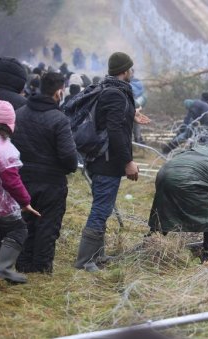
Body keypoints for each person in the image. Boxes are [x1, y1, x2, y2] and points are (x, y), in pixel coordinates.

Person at [74, 52, 140, 272]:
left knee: (103, 206)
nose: (132, 72)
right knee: (101, 208)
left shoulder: (108, 89)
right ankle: (85, 261)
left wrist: (132, 115)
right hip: (106, 161)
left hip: (101, 160)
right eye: (131, 68)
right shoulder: (115, 94)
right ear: (124, 71)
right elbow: (115, 131)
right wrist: (128, 162)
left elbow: (113, 121)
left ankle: (97, 255)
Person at [12, 72, 78, 273]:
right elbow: (69, 157)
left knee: (25, 223)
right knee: (47, 226)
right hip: (52, 183)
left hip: (23, 179)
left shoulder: (19, 113)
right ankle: (41, 268)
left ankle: (22, 264)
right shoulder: (59, 120)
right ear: (59, 92)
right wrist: (68, 169)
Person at [0, 101, 41, 283]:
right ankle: (3, 269)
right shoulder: (4, 149)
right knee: (18, 229)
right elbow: (12, 182)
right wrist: (25, 201)